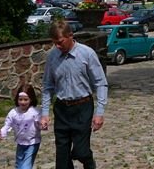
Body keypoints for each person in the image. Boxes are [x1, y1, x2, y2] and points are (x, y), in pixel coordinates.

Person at [40, 20, 108, 169]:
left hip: (82, 107)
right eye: (54, 43)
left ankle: (89, 163)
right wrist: (44, 113)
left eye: (60, 42)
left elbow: (100, 82)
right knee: (62, 159)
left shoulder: (86, 53)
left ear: (70, 36)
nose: (57, 46)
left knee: (82, 152)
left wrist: (100, 112)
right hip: (62, 109)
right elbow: (47, 86)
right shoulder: (52, 57)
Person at [0, 84, 42, 169]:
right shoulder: (13, 112)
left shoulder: (35, 112)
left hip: (33, 142)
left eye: (25, 99)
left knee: (25, 166)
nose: (23, 102)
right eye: (20, 99)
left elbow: (41, 124)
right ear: (17, 99)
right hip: (20, 143)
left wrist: (43, 124)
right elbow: (7, 124)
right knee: (19, 165)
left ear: (31, 99)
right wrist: (2, 132)